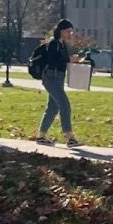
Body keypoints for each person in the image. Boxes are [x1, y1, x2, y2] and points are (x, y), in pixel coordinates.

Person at [35, 19, 82, 147]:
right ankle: (70, 137)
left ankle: (41, 136)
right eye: (68, 31)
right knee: (64, 105)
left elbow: (61, 61)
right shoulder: (53, 43)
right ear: (61, 31)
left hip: (58, 77)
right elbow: (52, 61)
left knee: (52, 107)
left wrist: (71, 60)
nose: (70, 34)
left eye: (71, 31)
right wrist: (68, 59)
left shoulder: (62, 44)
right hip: (51, 77)